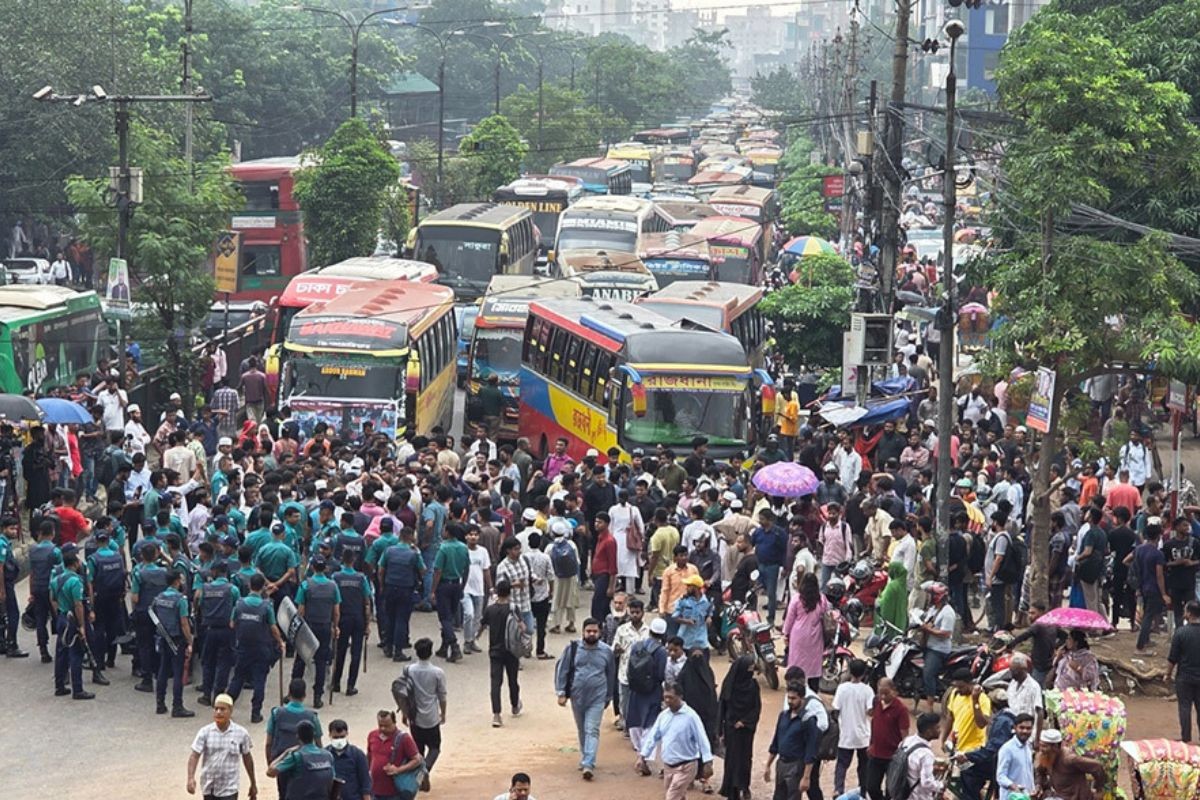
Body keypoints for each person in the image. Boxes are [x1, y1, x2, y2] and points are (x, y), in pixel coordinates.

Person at [554, 617, 616, 781]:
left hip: (598, 697)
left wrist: (609, 696)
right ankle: (585, 756)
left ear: (600, 633)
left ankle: (589, 763)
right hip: (577, 696)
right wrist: (561, 692)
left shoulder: (606, 651)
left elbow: (611, 674)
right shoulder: (573, 648)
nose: (591, 634)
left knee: (592, 729)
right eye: (588, 631)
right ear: (583, 632)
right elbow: (562, 669)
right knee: (582, 729)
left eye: (595, 631)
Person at [635, 680, 715, 799]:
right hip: (668, 766)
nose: (667, 701)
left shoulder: (691, 717)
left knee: (672, 796)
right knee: (678, 795)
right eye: (665, 697)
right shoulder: (663, 716)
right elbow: (653, 737)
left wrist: (708, 761)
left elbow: (702, 739)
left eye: (671, 697)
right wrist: (642, 756)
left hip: (686, 766)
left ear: (680, 697)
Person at [225, 574, 286, 724]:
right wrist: (280, 642)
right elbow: (273, 627)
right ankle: (255, 713)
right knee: (259, 680)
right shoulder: (266, 606)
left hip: (243, 648)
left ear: (249, 586)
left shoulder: (239, 604)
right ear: (263, 587)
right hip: (261, 648)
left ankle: (226, 707)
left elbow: (232, 624)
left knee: (238, 678)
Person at [186, 693, 257, 800]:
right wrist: (190, 778)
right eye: (216, 709)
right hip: (209, 787)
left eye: (223, 709)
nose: (218, 712)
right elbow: (194, 756)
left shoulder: (241, 733)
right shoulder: (205, 732)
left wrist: (253, 783)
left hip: (230, 788)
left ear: (231, 711)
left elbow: (247, 758)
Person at [265, 679, 322, 799]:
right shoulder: (312, 716)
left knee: (283, 794)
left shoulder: (277, 713)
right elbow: (318, 744)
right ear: (304, 695)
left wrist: (271, 762)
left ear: (289, 694)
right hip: (306, 764)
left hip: (282, 763)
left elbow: (268, 743)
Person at [765, 682, 821, 800]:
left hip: (796, 765)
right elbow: (775, 742)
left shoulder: (808, 721)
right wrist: (768, 765)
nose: (790, 701)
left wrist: (806, 777)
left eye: (794, 698)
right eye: (789, 698)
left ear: (802, 699)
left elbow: (811, 750)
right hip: (781, 764)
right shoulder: (783, 716)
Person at [717, 654, 762, 800]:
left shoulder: (753, 686)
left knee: (745, 758)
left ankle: (743, 786)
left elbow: (756, 708)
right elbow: (722, 707)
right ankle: (731, 789)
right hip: (731, 728)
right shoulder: (729, 685)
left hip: (746, 730)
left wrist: (745, 721)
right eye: (749, 669)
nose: (751, 672)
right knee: (731, 758)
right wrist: (720, 730)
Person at [153, 568, 196, 717]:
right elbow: (184, 623)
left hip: (163, 638)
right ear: (177, 581)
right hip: (177, 639)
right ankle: (177, 706)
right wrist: (190, 640)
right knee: (178, 673)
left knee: (163, 670)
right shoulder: (180, 600)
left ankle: (160, 703)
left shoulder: (159, 597)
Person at [404, 638, 446, 790]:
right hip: (431, 716)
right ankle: (425, 770)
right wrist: (443, 713)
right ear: (431, 652)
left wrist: (405, 713)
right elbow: (442, 696)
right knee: (434, 747)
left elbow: (405, 693)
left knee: (418, 749)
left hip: (414, 716)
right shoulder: (437, 672)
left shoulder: (409, 670)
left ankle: (419, 777)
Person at [481, 579, 523, 728]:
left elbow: (482, 625)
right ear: (509, 593)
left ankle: (497, 715)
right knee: (513, 680)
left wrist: (476, 635)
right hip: (511, 651)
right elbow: (522, 627)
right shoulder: (513, 608)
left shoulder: (490, 609)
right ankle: (515, 705)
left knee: (495, 683)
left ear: (497, 592)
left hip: (495, 651)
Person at [678, 647, 720, 793]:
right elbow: (679, 696)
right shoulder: (684, 674)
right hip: (688, 718)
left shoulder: (708, 672)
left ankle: (705, 779)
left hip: (707, 718)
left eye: (700, 657)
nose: (698, 661)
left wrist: (716, 720)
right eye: (694, 657)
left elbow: (713, 695)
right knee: (689, 747)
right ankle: (689, 778)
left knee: (706, 747)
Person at [626, 617, 669, 751]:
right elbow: (661, 674)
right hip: (652, 690)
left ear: (650, 631)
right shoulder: (661, 651)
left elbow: (629, 667)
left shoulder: (637, 646)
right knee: (650, 720)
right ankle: (646, 751)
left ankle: (638, 747)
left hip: (635, 689)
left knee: (635, 718)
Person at [832, 659, 874, 797]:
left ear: (850, 672)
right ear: (864, 674)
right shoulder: (868, 690)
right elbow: (870, 711)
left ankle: (838, 789)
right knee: (863, 766)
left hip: (846, 734)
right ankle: (862, 791)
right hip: (863, 735)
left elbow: (836, 709)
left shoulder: (842, 688)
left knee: (842, 764)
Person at [430, 522, 469, 663]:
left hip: (444, 585)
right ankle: (444, 646)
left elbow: (438, 571)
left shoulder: (443, 548)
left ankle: (454, 645)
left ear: (447, 532)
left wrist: (433, 590)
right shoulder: (463, 548)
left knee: (444, 618)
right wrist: (463, 585)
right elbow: (466, 568)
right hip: (457, 584)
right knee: (450, 616)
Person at [266, 720, 334, 800]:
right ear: (314, 735)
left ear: (297, 736)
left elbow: (270, 772)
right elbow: (332, 780)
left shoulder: (296, 756)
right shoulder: (328, 755)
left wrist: (285, 753)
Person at [865, 678, 909, 800]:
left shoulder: (901, 709)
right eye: (880, 693)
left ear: (894, 691)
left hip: (892, 756)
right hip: (876, 753)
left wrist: (903, 754)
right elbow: (874, 725)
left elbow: (904, 734)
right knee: (871, 787)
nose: (883, 696)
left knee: (892, 789)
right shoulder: (876, 703)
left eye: (886, 693)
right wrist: (871, 744)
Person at [783, 572, 827, 692]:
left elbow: (789, 618)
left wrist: (786, 633)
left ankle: (795, 690)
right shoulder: (822, 599)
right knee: (814, 665)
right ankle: (813, 692)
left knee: (797, 663)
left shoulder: (797, 599)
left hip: (798, 636)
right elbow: (825, 614)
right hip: (816, 636)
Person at [1033, 728, 1106, 800]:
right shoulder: (1045, 756)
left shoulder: (1069, 759)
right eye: (1040, 745)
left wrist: (1098, 789)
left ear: (1055, 747)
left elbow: (1097, 767)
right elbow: (1040, 772)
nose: (1041, 749)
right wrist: (1038, 785)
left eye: (1044, 746)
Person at [366, 709, 424, 800]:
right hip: (375, 790)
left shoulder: (404, 738)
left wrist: (398, 770)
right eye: (380, 725)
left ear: (394, 722)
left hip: (395, 792)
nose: (383, 728)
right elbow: (369, 757)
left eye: (387, 726)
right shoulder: (372, 735)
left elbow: (417, 759)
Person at [1132, 520, 1170, 652]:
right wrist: (1164, 593)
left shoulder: (1138, 550)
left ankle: (1146, 640)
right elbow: (1159, 575)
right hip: (1153, 587)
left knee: (1146, 613)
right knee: (1149, 616)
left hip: (1143, 586)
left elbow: (1132, 564)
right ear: (1158, 537)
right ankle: (1141, 644)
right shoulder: (1157, 554)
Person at [919, 582, 956, 711]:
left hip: (938, 650)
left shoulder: (947, 612)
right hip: (928, 645)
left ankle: (930, 707)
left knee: (928, 674)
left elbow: (946, 633)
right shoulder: (933, 609)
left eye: (931, 594)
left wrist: (928, 630)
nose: (928, 597)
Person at [1168, 600, 1200, 742]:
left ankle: (1185, 737)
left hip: (1184, 677)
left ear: (1189, 613)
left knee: (1184, 707)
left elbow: (1172, 658)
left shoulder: (1181, 632)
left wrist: (1167, 674)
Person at [752, 509, 787, 626]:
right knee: (755, 590)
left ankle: (770, 618)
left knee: (771, 593)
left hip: (773, 566)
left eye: (762, 519)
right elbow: (752, 543)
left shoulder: (779, 533)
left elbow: (784, 550)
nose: (760, 521)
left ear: (769, 519)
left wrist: (784, 566)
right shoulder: (758, 532)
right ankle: (753, 615)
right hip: (759, 564)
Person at [900, 712, 946, 800]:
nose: (940, 730)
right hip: (917, 796)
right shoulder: (926, 754)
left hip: (902, 792)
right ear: (928, 732)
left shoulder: (907, 741)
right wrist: (941, 786)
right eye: (937, 728)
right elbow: (926, 782)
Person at [326, 719, 371, 800]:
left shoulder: (357, 754)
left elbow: (365, 781)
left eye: (342, 737)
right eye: (335, 737)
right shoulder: (325, 755)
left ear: (347, 734)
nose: (339, 740)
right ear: (329, 735)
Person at [995, 713, 1036, 800]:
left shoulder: (1028, 747)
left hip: (1025, 796)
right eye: (1021, 728)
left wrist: (1032, 790)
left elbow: (1029, 774)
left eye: (1028, 728)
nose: (1025, 731)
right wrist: (1013, 786)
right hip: (1011, 797)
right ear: (1015, 727)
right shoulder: (1007, 749)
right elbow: (1000, 776)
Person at [873, 561, 909, 640]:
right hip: (900, 621)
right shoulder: (902, 585)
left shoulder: (892, 586)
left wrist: (878, 600)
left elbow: (885, 603)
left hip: (889, 621)